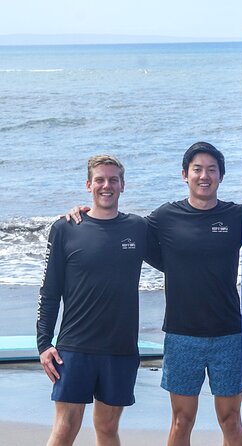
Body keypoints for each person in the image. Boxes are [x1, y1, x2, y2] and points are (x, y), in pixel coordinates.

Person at [68, 142, 242, 446]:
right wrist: (83, 214)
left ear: (221, 176)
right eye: (197, 169)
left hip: (228, 333)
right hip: (181, 334)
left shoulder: (237, 216)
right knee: (182, 420)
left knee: (230, 419)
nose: (204, 176)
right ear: (184, 175)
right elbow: (122, 230)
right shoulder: (166, 216)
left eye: (211, 170)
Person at [38, 155, 150, 446]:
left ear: (123, 186)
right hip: (75, 346)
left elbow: (179, 252)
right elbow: (50, 290)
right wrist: (44, 343)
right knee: (65, 427)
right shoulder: (65, 228)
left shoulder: (138, 228)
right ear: (89, 185)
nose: (106, 185)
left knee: (108, 427)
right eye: (100, 179)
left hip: (120, 347)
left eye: (113, 179)